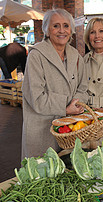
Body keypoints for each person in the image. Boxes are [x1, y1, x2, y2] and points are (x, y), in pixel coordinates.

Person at [21, 8, 88, 159]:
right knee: (43, 173)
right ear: (46, 30)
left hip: (69, 130)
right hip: (42, 130)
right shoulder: (36, 56)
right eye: (55, 26)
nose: (61, 30)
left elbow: (83, 87)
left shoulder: (75, 56)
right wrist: (66, 107)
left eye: (66, 25)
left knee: (66, 171)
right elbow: (36, 97)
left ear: (71, 30)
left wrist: (75, 105)